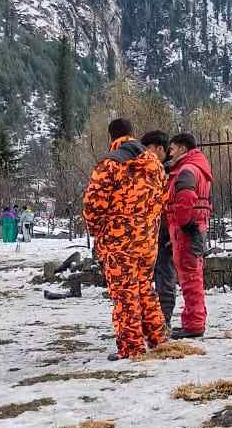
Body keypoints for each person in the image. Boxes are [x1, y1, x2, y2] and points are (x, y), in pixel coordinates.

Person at [82, 117, 167, 360]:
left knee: (124, 294)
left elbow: (93, 205)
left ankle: (131, 348)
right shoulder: (154, 164)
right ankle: (158, 340)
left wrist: (97, 231)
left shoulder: (109, 164)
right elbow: (163, 198)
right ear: (132, 133)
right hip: (147, 240)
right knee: (145, 289)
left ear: (112, 137)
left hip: (118, 243)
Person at [164, 132, 213, 338]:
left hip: (186, 230)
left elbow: (185, 198)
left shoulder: (187, 170)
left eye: (172, 149)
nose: (170, 154)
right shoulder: (197, 167)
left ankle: (193, 325)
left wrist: (184, 223)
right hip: (194, 227)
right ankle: (194, 320)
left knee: (190, 278)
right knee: (193, 277)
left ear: (183, 149)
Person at [141, 130, 177, 330]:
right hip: (152, 230)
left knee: (164, 275)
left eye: (149, 150)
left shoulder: (169, 172)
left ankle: (165, 319)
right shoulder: (156, 170)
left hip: (164, 231)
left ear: (160, 149)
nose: (146, 154)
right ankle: (155, 319)